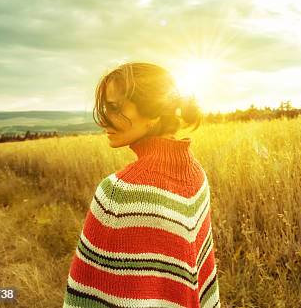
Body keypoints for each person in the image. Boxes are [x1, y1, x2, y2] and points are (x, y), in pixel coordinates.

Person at [63, 62, 221, 308]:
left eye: (114, 108)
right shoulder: (197, 176)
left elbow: (86, 300)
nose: (104, 120)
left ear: (153, 113)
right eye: (105, 108)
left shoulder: (118, 193)